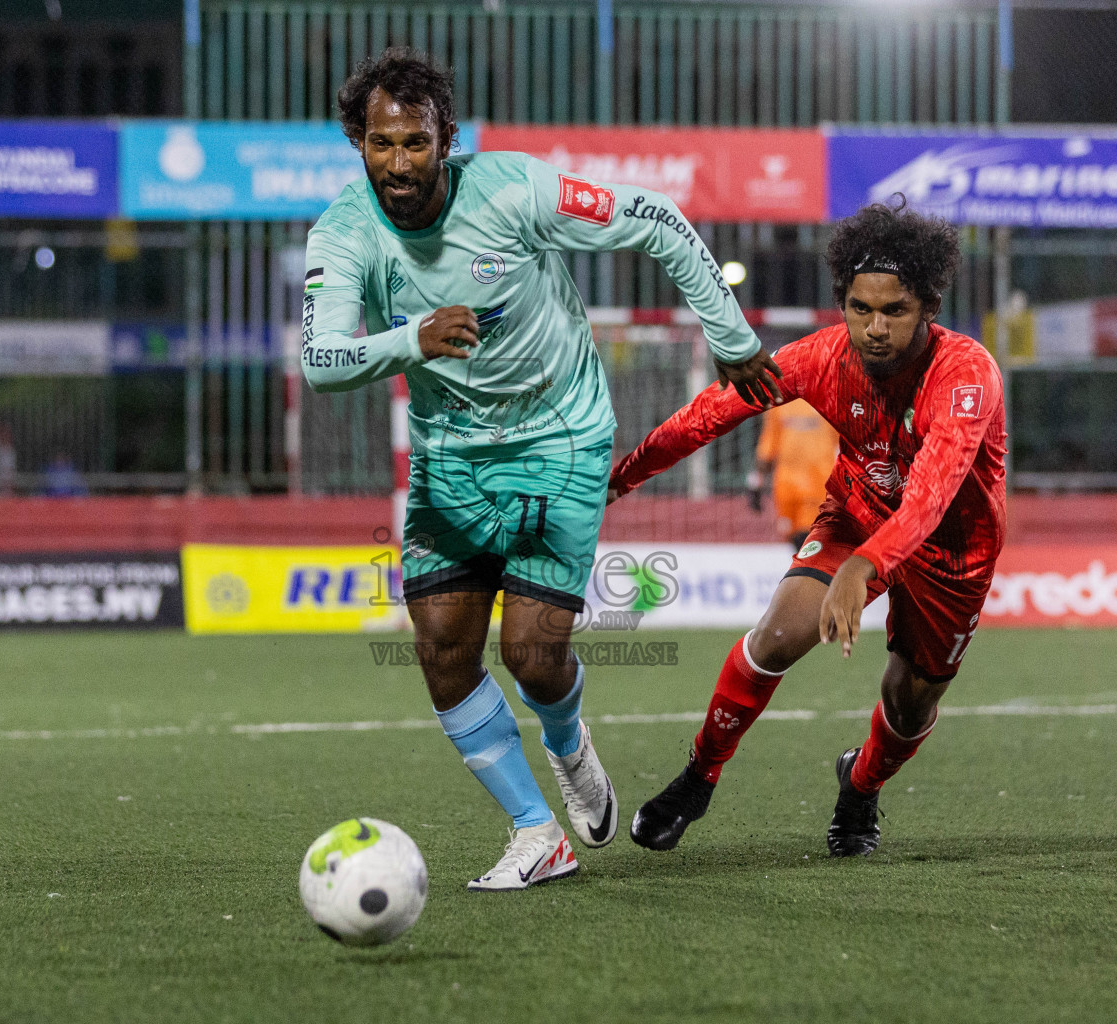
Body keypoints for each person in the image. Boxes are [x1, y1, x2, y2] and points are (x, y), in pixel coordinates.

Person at [301, 49, 777, 889]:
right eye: (382, 144)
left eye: (417, 143)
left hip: (559, 437)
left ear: (448, 137)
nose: (400, 164)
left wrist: (731, 339)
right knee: (442, 649)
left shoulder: (516, 189)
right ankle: (535, 832)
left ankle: (568, 744)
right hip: (450, 453)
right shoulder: (344, 233)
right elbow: (323, 358)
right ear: (356, 140)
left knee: (530, 654)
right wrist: (413, 338)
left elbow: (659, 220)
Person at [609, 199, 1007, 858]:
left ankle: (861, 785)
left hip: (953, 553)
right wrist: (623, 476)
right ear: (842, 304)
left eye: (894, 311)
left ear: (928, 308)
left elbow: (931, 500)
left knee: (909, 705)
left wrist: (863, 569)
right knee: (774, 637)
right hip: (857, 515)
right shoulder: (821, 357)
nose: (875, 327)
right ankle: (698, 776)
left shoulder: (966, 377)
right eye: (860, 309)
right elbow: (710, 414)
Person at [748, 400, 838, 549]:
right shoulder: (778, 401)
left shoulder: (828, 397)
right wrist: (756, 481)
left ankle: (811, 569)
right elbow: (769, 442)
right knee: (792, 535)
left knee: (809, 536)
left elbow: (842, 441)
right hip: (786, 483)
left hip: (818, 481)